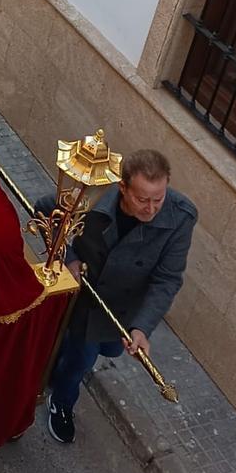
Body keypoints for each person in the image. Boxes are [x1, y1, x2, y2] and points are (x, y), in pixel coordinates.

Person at [39, 148, 196, 445]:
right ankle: (62, 402)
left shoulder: (181, 216)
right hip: (88, 299)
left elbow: (167, 279)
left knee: (107, 350)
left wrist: (141, 327)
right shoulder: (94, 196)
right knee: (81, 360)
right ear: (122, 187)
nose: (151, 209)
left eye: (158, 198)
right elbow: (46, 211)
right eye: (142, 199)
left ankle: (56, 361)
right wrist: (69, 257)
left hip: (124, 307)